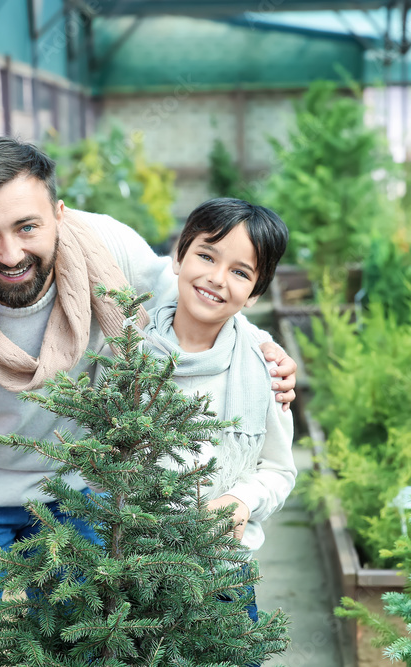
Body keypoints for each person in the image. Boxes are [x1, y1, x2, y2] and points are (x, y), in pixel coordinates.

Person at [0, 137, 297, 667]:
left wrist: (257, 344)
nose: (10, 254)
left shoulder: (106, 248)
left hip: (82, 488)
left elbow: (185, 290)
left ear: (59, 215)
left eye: (27, 227)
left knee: (97, 648)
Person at [141, 198, 297, 628]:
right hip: (126, 571)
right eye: (206, 255)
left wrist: (241, 499)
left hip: (222, 576)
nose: (216, 278)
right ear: (178, 256)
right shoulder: (127, 351)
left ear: (256, 293)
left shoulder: (266, 370)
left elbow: (280, 471)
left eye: (240, 272)